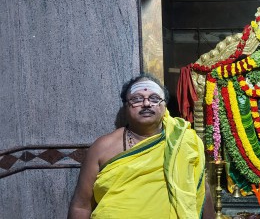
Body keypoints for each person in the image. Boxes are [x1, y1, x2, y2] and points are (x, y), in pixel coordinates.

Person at [69, 74, 210, 218]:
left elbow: (202, 193)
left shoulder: (183, 141)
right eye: (137, 99)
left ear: (164, 105)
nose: (146, 104)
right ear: (126, 105)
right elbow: (81, 206)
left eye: (154, 98)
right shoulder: (103, 147)